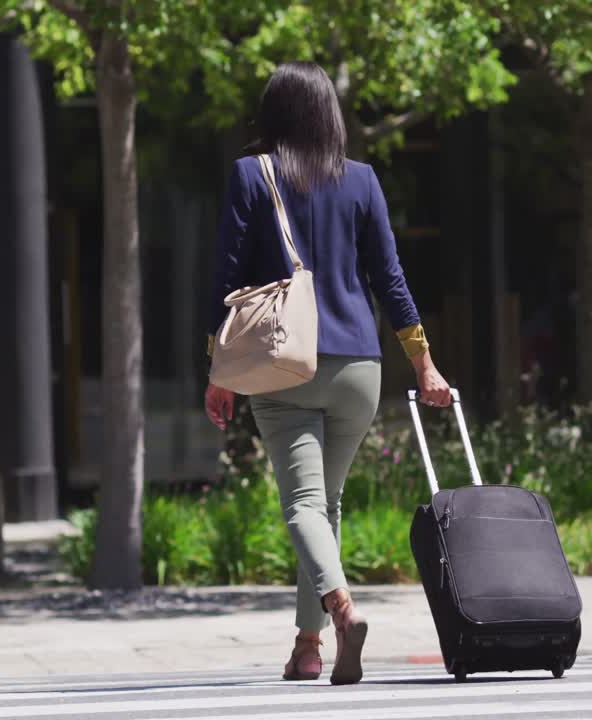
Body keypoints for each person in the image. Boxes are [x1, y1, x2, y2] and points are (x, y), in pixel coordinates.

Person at [203, 61, 451, 686]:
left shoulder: (249, 175)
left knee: (304, 504)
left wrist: (218, 368)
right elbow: (390, 282)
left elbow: (226, 279)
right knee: (324, 505)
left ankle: (342, 612)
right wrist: (423, 364)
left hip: (283, 363)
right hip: (359, 369)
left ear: (273, 114)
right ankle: (307, 646)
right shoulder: (362, 181)